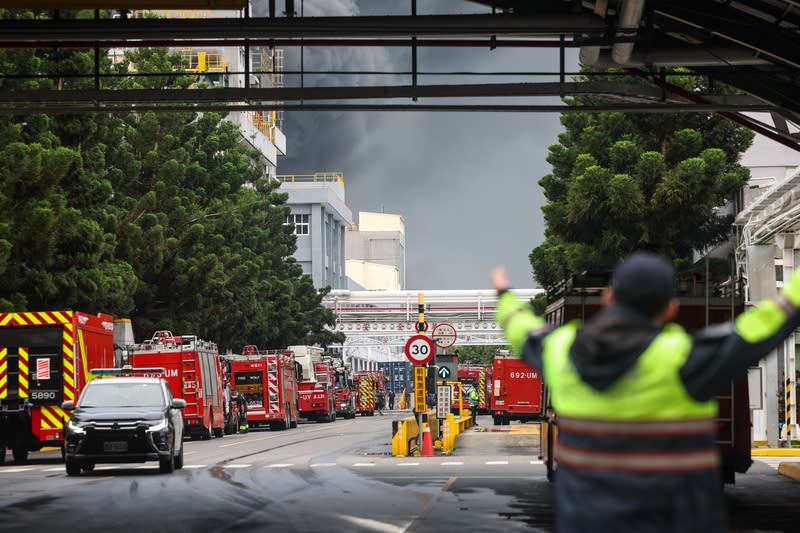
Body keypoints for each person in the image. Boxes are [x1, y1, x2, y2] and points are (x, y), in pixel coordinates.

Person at [492, 251, 800, 533]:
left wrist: (504, 294)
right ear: (670, 308)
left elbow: (521, 328)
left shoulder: (560, 354)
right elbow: (770, 323)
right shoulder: (683, 360)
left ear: (609, 297)